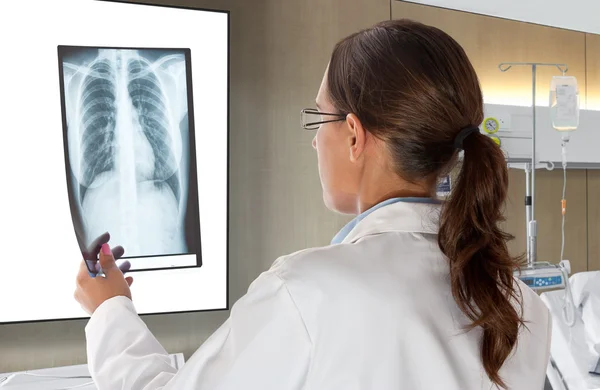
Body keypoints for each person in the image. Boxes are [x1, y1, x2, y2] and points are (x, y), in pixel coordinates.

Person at [74, 19, 551, 390]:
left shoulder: (307, 292)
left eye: (317, 118)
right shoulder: (516, 303)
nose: (313, 141)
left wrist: (110, 310)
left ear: (353, 134)